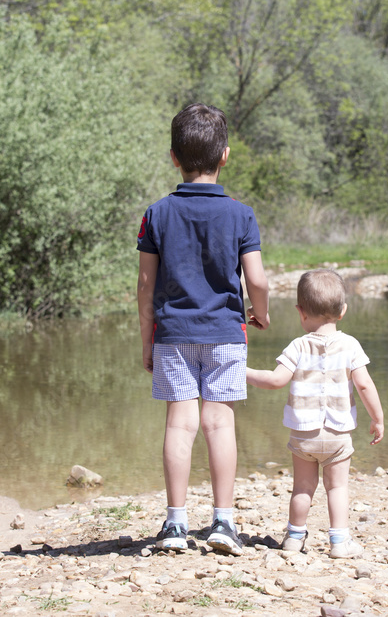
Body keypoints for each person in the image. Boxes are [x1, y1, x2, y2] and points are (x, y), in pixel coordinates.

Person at [137, 103, 270, 556]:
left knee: (180, 425)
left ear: (173, 157)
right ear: (225, 156)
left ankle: (175, 525)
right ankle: (223, 523)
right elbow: (257, 279)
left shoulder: (156, 214)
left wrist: (146, 339)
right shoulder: (241, 215)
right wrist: (261, 311)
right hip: (227, 334)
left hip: (172, 333)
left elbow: (144, 286)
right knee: (219, 423)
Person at [246, 269, 384, 559]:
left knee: (302, 488)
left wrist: (241, 372)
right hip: (337, 435)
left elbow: (275, 380)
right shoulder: (350, 346)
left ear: (300, 312)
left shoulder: (298, 346)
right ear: (343, 311)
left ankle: (295, 538)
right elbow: (364, 384)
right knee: (337, 488)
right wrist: (377, 418)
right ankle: (339, 542)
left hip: (304, 435)